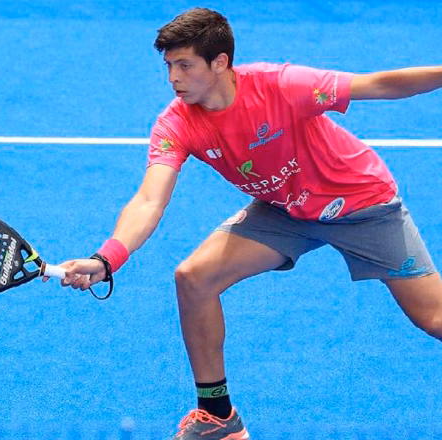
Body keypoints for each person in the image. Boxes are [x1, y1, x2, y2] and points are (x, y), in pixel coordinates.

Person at [52, 7, 442, 439]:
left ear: (220, 63)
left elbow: (380, 84)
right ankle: (219, 417)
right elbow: (149, 199)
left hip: (361, 204)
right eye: (168, 66)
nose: (173, 78)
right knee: (194, 277)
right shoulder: (177, 123)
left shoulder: (282, 85)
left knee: (434, 319)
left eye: (184, 65)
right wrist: (107, 259)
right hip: (284, 210)